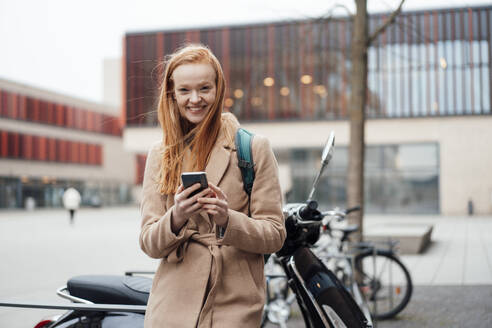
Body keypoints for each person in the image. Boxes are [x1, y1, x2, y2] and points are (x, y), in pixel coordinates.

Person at [139, 44, 286, 328]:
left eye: (204, 88)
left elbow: (275, 235)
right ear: (172, 93)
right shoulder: (161, 154)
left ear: (218, 89)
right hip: (171, 306)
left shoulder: (253, 148)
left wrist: (226, 219)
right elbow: (148, 242)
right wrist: (177, 216)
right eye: (184, 91)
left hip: (234, 304)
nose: (195, 99)